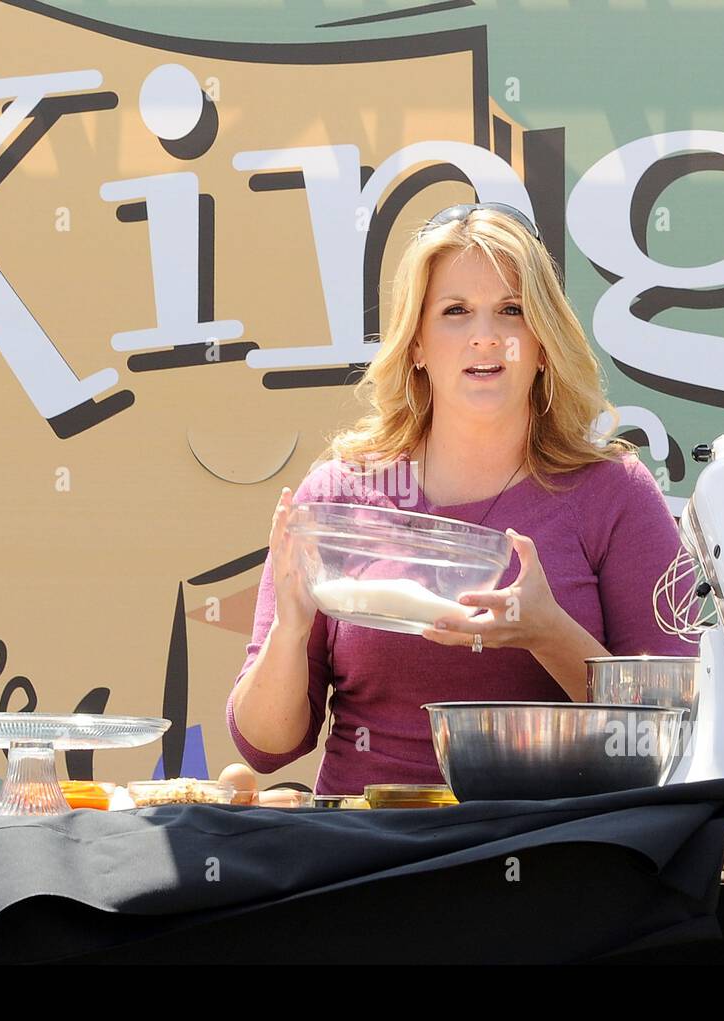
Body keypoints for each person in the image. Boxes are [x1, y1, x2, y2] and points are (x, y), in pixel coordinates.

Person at [227, 202, 698, 795]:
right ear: (417, 344)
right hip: (365, 856)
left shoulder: (614, 492)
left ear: (544, 342)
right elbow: (263, 748)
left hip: (554, 849)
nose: (485, 335)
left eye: (511, 310)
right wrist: (288, 634)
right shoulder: (340, 494)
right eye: (455, 311)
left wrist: (546, 631)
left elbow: (675, 728)